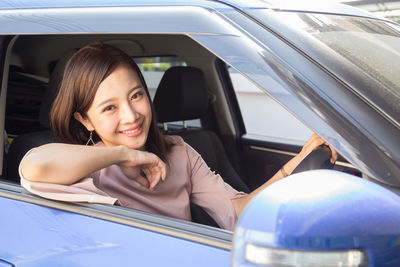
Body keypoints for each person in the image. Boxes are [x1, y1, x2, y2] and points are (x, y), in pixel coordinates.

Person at [19, 43, 337, 231]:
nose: (131, 116)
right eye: (109, 108)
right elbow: (33, 166)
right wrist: (124, 154)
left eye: (136, 95)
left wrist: (298, 161)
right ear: (84, 120)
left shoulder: (179, 152)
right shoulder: (82, 169)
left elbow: (236, 212)